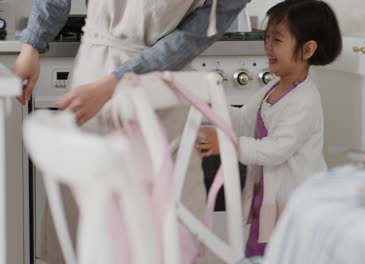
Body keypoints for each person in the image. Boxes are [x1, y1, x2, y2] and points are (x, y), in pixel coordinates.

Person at [13, 0, 249, 263]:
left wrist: (115, 81)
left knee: (169, 219)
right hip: (96, 79)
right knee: (89, 213)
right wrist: (31, 46)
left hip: (159, 90)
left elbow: (188, 40)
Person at [195, 0, 342, 257]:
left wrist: (228, 145)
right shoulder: (272, 88)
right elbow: (243, 120)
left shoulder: (305, 100)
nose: (267, 47)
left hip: (293, 202)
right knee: (260, 250)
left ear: (307, 50)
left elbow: (276, 150)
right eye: (266, 38)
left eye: (277, 40)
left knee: (286, 253)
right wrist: (206, 106)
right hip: (267, 197)